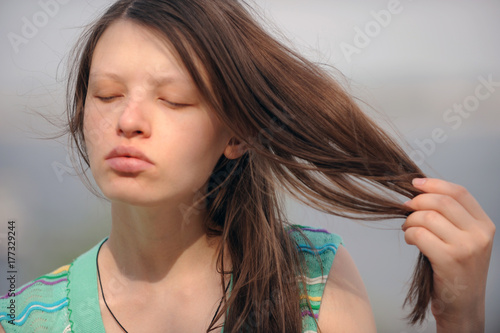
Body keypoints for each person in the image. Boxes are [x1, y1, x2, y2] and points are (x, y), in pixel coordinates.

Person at [0, 0, 495, 332]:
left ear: (236, 134)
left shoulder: (311, 281)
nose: (128, 121)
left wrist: (462, 317)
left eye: (173, 100)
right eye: (106, 95)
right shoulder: (24, 317)